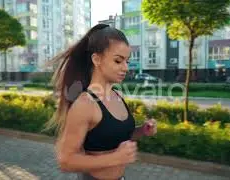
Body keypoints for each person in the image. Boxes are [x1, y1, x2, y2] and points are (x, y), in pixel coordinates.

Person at [44, 24, 157, 180]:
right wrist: (116, 158)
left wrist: (142, 131)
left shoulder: (117, 95)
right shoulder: (85, 104)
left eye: (127, 61)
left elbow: (117, 135)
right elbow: (65, 160)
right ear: (97, 59)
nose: (125, 68)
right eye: (118, 61)